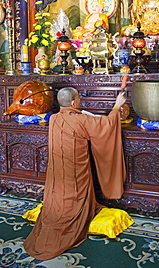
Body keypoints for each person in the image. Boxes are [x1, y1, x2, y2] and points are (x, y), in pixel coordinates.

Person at [23, 87, 126, 260]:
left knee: (58, 192)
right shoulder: (81, 120)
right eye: (78, 98)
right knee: (74, 195)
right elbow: (106, 125)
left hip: (56, 174)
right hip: (76, 174)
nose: (80, 101)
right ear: (73, 102)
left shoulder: (54, 118)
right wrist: (116, 106)